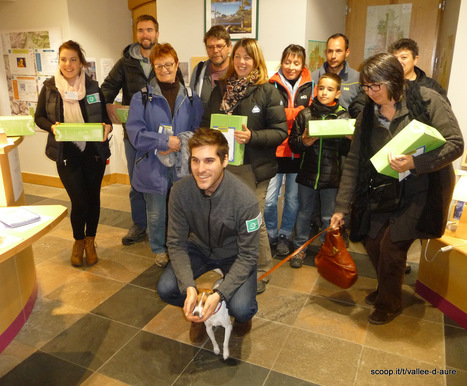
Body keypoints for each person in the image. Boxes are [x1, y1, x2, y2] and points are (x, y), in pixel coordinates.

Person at [330, 53, 463, 325]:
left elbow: (455, 143)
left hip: (423, 188)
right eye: (366, 87)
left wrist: (415, 162)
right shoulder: (368, 114)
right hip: (383, 188)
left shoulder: (427, 100)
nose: (370, 92)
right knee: (372, 239)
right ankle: (387, 287)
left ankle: (389, 303)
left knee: (392, 246)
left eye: (375, 86)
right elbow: (354, 162)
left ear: (394, 80)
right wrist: (341, 207)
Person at [201, 38, 288, 294]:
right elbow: (206, 123)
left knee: (253, 221)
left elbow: (280, 132)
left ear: (256, 60)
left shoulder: (267, 90)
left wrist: (253, 137)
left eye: (247, 57)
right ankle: (232, 262)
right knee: (227, 219)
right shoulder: (221, 89)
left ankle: (261, 269)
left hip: (254, 168)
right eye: (238, 56)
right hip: (225, 168)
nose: (241, 62)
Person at [157, 128, 260, 342]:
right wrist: (189, 288)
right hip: (200, 248)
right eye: (195, 161)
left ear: (224, 161)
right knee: (167, 289)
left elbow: (249, 255)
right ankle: (204, 311)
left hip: (235, 254)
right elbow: (175, 244)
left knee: (241, 309)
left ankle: (220, 303)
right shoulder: (179, 191)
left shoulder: (245, 199)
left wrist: (220, 294)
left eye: (209, 161)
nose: (200, 169)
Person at [35, 40, 112, 267]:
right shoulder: (50, 88)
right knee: (78, 201)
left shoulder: (92, 87)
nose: (68, 64)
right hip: (66, 152)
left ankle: (91, 241)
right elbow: (38, 117)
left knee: (93, 198)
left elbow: (105, 119)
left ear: (81, 63)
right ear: (58, 61)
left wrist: (107, 127)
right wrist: (52, 126)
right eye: (63, 59)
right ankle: (78, 241)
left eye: (73, 59)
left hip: (93, 152)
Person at [126, 43, 203, 268]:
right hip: (153, 165)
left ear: (176, 64)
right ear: (153, 67)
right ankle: (159, 249)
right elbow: (135, 134)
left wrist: (183, 142)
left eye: (168, 64)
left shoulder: (191, 97)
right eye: (158, 65)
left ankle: (179, 247)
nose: (164, 69)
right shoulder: (141, 98)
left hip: (183, 165)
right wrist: (162, 142)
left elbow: (199, 129)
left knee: (182, 211)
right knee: (157, 214)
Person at [101, 15, 159, 246]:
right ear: (137, 34)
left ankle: (161, 225)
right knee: (136, 182)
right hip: (133, 135)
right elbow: (106, 88)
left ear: (157, 33)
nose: (146, 34)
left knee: (160, 181)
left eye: (150, 30)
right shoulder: (125, 63)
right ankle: (139, 224)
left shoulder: (165, 58)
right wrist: (108, 105)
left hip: (159, 135)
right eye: (141, 30)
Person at [289, 73, 351, 268]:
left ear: (338, 93)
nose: (324, 92)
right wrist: (304, 142)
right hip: (307, 174)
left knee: (328, 217)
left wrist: (351, 139)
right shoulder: (305, 114)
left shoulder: (343, 116)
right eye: (321, 88)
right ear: (316, 89)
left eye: (330, 89)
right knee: (304, 213)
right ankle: (299, 249)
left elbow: (347, 152)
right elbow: (293, 145)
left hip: (332, 177)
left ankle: (328, 251)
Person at [265, 44, 313, 256]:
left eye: (296, 62)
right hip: (274, 150)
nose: (291, 66)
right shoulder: (270, 84)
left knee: (293, 199)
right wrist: (299, 112)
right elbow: (271, 115)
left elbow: (310, 114)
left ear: (302, 64)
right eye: (287, 62)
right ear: (281, 62)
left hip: (298, 151)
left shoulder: (311, 85)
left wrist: (288, 113)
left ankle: (284, 235)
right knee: (269, 200)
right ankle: (270, 233)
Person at [388, 37, 449, 102]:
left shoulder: (431, 86)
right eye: (394, 58)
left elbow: (443, 110)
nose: (398, 61)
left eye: (404, 57)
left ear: (415, 59)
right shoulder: (386, 84)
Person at [311, 33, 360, 110]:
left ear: (347, 52)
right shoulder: (313, 77)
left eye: (338, 51)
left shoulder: (357, 79)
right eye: (330, 51)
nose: (333, 56)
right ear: (325, 52)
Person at [190, 25, 232, 111]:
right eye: (210, 47)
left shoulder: (237, 72)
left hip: (229, 124)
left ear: (229, 48)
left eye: (219, 46)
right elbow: (191, 103)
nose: (215, 51)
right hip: (202, 124)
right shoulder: (199, 70)